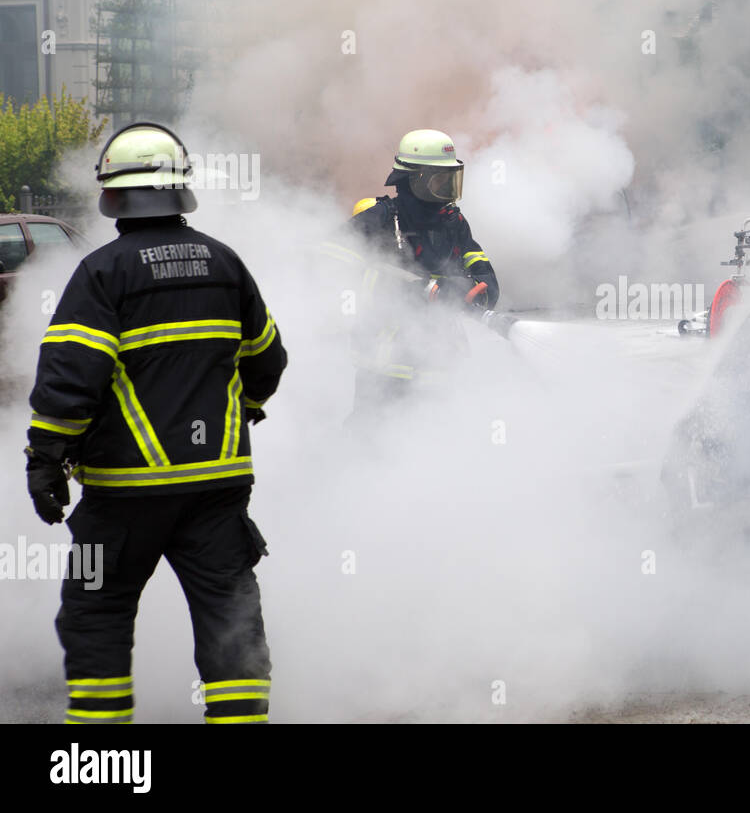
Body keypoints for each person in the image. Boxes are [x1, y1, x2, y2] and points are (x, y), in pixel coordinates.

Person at [25, 122, 287, 724]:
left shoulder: (101, 273)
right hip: (217, 491)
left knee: (96, 613)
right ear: (178, 190)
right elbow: (267, 361)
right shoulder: (226, 264)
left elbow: (71, 378)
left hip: (121, 496)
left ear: (113, 194)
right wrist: (240, 407)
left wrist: (45, 459)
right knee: (230, 618)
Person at [322, 129, 502, 417]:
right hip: (385, 370)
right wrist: (409, 289)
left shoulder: (452, 221)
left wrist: (481, 288)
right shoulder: (382, 218)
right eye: (439, 180)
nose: (447, 188)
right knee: (371, 446)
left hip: (443, 367)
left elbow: (478, 263)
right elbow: (330, 261)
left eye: (450, 179)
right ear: (415, 179)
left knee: (440, 446)